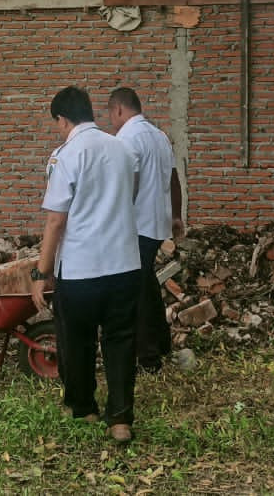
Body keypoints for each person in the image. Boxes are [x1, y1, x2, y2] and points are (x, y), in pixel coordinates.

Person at [29, 86, 140, 444]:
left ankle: (83, 406)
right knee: (120, 341)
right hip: (124, 265)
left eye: (57, 124)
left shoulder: (67, 154)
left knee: (76, 341)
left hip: (81, 270)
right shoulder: (123, 149)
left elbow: (55, 221)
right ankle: (120, 420)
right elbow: (129, 199)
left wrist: (41, 272)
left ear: (62, 119)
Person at [105, 86, 184, 373]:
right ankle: (160, 345)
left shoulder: (126, 137)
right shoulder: (159, 135)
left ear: (118, 110)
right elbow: (175, 178)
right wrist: (177, 216)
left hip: (136, 225)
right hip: (156, 224)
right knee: (147, 284)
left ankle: (148, 358)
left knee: (135, 290)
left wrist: (116, 217)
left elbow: (131, 180)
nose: (112, 122)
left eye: (111, 115)